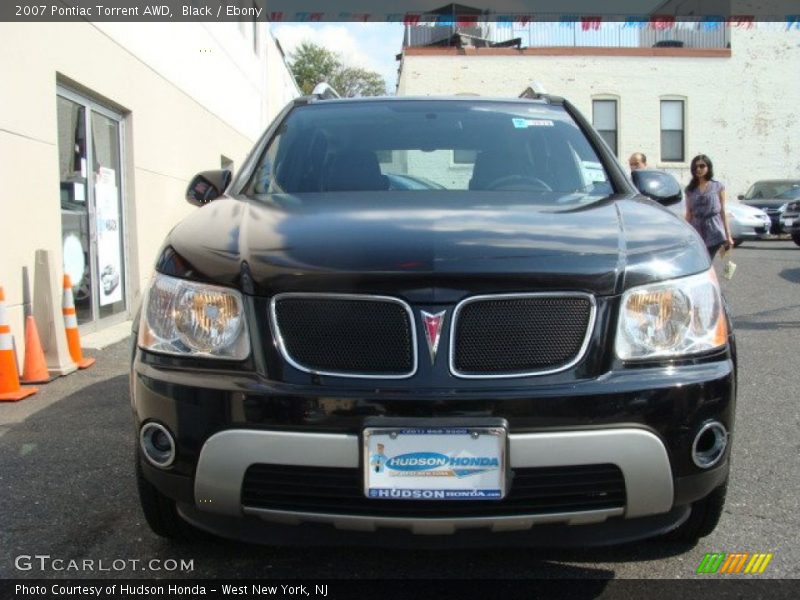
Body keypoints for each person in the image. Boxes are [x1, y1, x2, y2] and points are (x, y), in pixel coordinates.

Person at [684, 154, 733, 259]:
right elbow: (689, 213)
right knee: (697, 260)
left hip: (713, 230)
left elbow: (723, 211)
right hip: (696, 229)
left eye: (702, 166)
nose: (698, 169)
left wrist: (728, 235)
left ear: (708, 167)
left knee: (707, 259)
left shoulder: (718, 186)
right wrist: (684, 232)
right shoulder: (690, 189)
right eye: (695, 167)